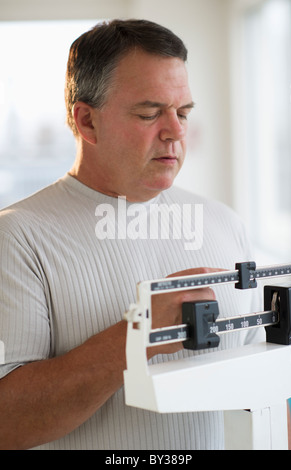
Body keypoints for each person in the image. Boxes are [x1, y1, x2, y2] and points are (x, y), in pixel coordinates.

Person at [0, 19, 264, 450]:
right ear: (86, 122)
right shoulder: (17, 238)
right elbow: (6, 422)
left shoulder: (224, 224)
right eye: (149, 113)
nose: (176, 132)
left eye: (182, 113)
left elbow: (262, 387)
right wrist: (137, 336)